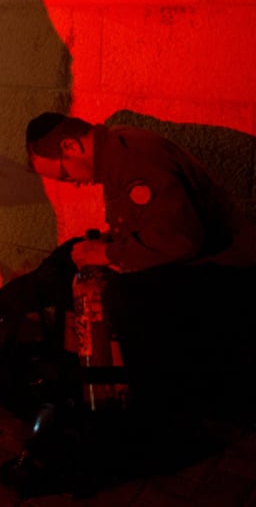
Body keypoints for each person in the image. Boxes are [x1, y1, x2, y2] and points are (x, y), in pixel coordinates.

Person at [21, 112, 256, 414]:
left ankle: (157, 410)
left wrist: (108, 254)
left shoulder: (130, 156)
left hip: (229, 267)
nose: (74, 185)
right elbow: (147, 226)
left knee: (126, 297)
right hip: (204, 256)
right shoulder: (116, 152)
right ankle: (86, 374)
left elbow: (180, 240)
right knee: (74, 256)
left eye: (65, 175)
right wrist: (107, 243)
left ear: (71, 147)